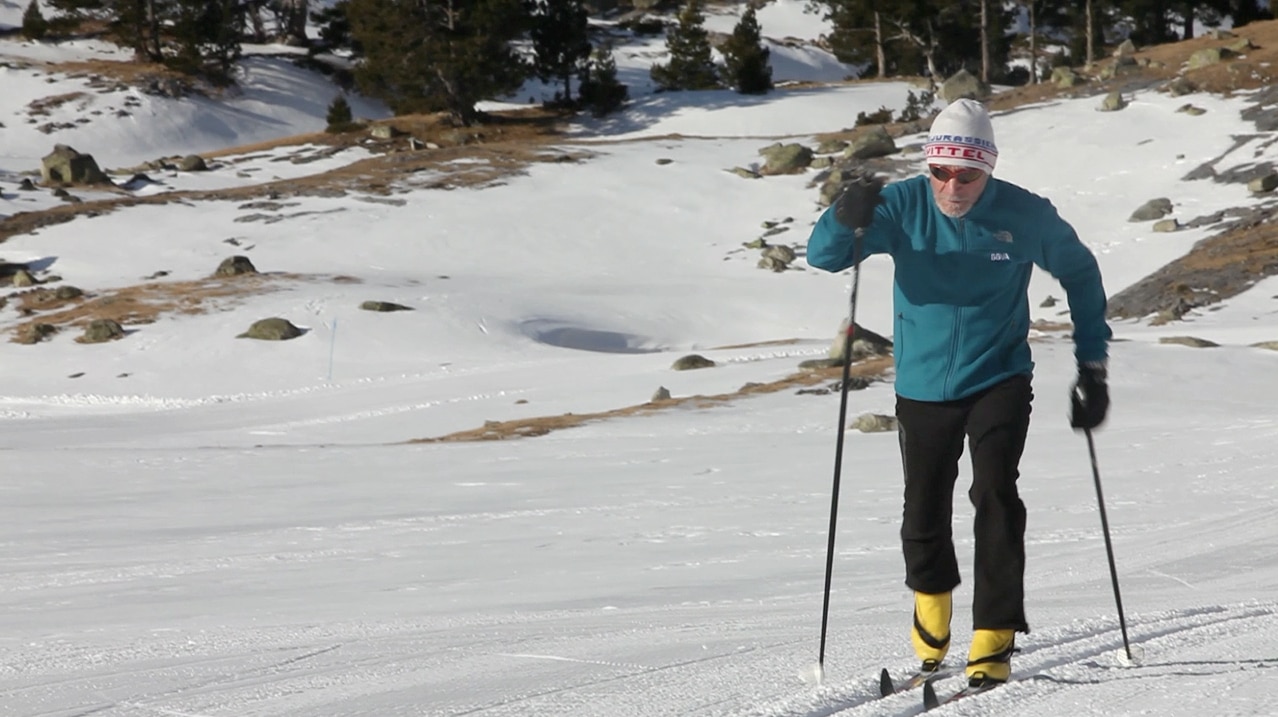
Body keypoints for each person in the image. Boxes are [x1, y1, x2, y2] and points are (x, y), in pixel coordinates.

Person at [805, 98, 1112, 688]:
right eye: (941, 171)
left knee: (995, 493)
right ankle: (932, 617)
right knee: (922, 504)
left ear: (987, 169)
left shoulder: (1023, 215)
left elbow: (1081, 274)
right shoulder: (900, 206)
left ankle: (994, 636)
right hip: (921, 382)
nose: (953, 185)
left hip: (998, 374)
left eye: (967, 174)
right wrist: (844, 212)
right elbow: (824, 258)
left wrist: (1092, 365)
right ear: (929, 167)